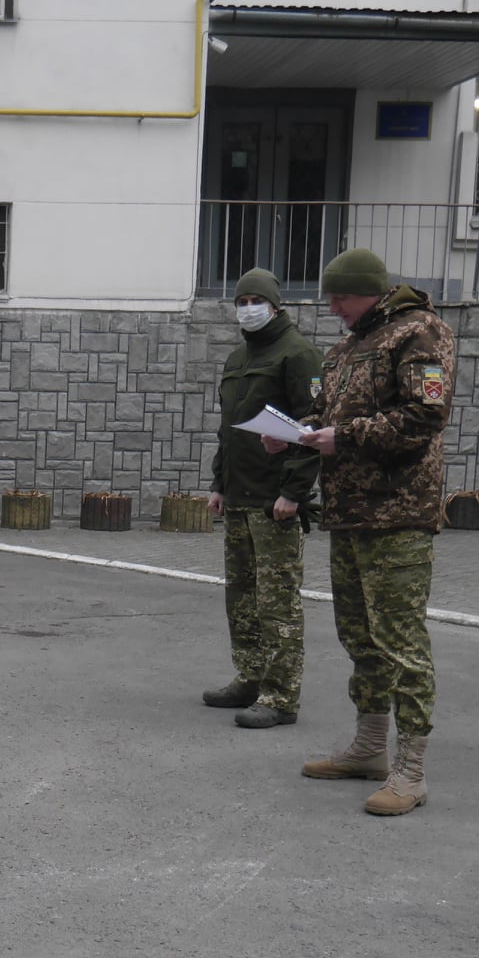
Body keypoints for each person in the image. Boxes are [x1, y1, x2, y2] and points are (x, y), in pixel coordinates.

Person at [269, 248, 456, 816]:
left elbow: (426, 415)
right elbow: (329, 416)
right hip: (349, 514)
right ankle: (370, 748)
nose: (333, 308)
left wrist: (343, 438)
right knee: (361, 638)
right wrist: (294, 432)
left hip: (398, 514)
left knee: (401, 641)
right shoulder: (347, 347)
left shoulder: (421, 334)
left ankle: (411, 770)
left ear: (371, 292)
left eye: (341, 297)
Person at [204, 268, 322, 729]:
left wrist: (294, 492)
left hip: (275, 501)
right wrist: (219, 484)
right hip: (240, 496)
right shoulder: (238, 357)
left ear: (275, 306)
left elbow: (313, 427)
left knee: (277, 603)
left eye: (257, 301)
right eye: (242, 301)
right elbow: (228, 429)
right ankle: (250, 678)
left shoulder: (298, 354)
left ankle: (281, 695)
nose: (248, 308)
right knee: (242, 598)